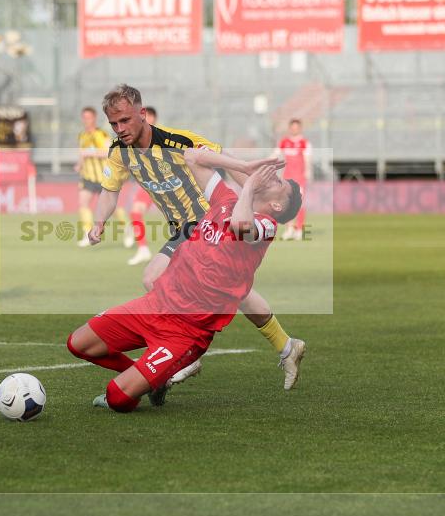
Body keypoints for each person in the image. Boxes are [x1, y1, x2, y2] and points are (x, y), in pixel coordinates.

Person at [89, 84, 306, 390]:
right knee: (235, 290)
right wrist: (99, 222)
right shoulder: (119, 153)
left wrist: (255, 195)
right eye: (114, 123)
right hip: (183, 227)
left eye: (125, 121)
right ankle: (286, 346)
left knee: (153, 278)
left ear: (143, 114)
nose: (120, 129)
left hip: (205, 218)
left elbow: (217, 159)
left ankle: (185, 355)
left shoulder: (176, 140)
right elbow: (110, 191)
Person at [67, 148, 302, 411]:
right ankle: (152, 378)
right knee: (78, 344)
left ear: (277, 206)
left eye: (279, 182)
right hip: (155, 306)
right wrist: (245, 167)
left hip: (186, 331)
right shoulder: (225, 200)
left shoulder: (266, 225)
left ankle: (144, 379)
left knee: (117, 398)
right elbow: (192, 157)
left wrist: (248, 188)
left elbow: (240, 225)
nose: (272, 178)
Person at [75, 106, 130, 248]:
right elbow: (82, 153)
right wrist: (79, 164)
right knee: (83, 203)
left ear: (94, 118)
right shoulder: (82, 135)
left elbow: (107, 152)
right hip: (88, 176)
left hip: (103, 177)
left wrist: (90, 153)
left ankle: (127, 229)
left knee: (112, 207)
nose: (86, 120)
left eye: (89, 117)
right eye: (84, 117)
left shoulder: (101, 135)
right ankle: (88, 233)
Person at [125, 105, 158, 266]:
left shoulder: (160, 137)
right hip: (150, 183)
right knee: (135, 212)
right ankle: (143, 248)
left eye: (150, 117)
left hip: (167, 183)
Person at [275, 118, 312, 240]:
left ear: (300, 128)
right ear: (290, 128)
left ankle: (300, 229)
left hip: (299, 178)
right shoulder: (284, 142)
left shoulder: (304, 143)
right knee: (286, 204)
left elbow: (307, 159)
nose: (294, 129)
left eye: (297, 127)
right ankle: (290, 229)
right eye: (292, 127)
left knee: (299, 204)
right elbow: (275, 155)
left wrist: (308, 172)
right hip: (287, 178)